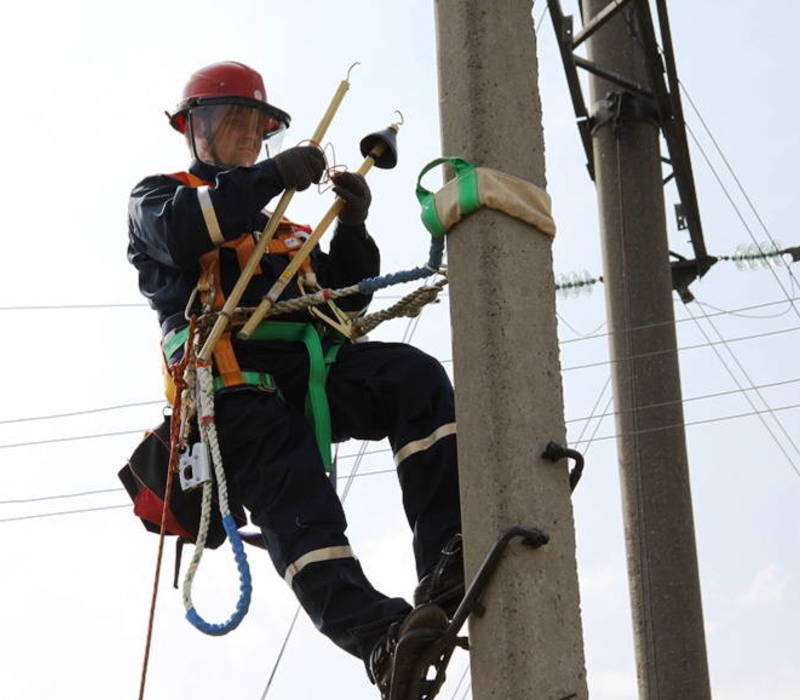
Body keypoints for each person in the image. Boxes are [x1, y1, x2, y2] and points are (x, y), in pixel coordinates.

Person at [127, 61, 463, 695]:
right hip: (231, 384)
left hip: (309, 365)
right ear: (193, 128)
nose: (247, 138)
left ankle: (449, 556)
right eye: (232, 124)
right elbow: (183, 231)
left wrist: (355, 225)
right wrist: (267, 178)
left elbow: (347, 300)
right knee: (300, 502)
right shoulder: (158, 197)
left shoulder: (277, 223)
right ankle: (381, 639)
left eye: (257, 128)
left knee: (411, 378)